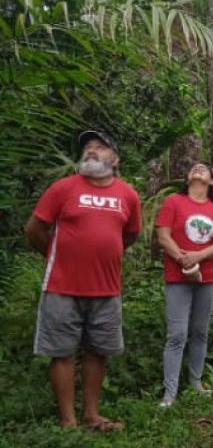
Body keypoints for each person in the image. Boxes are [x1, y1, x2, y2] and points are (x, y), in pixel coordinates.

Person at [24, 130, 142, 431]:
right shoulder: (63, 188)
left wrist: (104, 254)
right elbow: (34, 229)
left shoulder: (128, 194)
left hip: (106, 287)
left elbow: (130, 234)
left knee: (98, 352)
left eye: (100, 147)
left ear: (115, 160)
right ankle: (68, 421)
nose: (91, 151)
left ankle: (91, 415)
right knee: (62, 353)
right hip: (62, 286)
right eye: (87, 147)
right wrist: (56, 255)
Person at [155, 162, 213, 408]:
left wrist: (198, 257)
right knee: (177, 334)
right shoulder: (173, 203)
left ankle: (196, 383)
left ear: (211, 181)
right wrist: (182, 259)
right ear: (187, 179)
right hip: (178, 277)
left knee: (200, 331)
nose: (198, 170)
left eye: (204, 169)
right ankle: (170, 393)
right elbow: (163, 235)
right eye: (194, 168)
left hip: (207, 277)